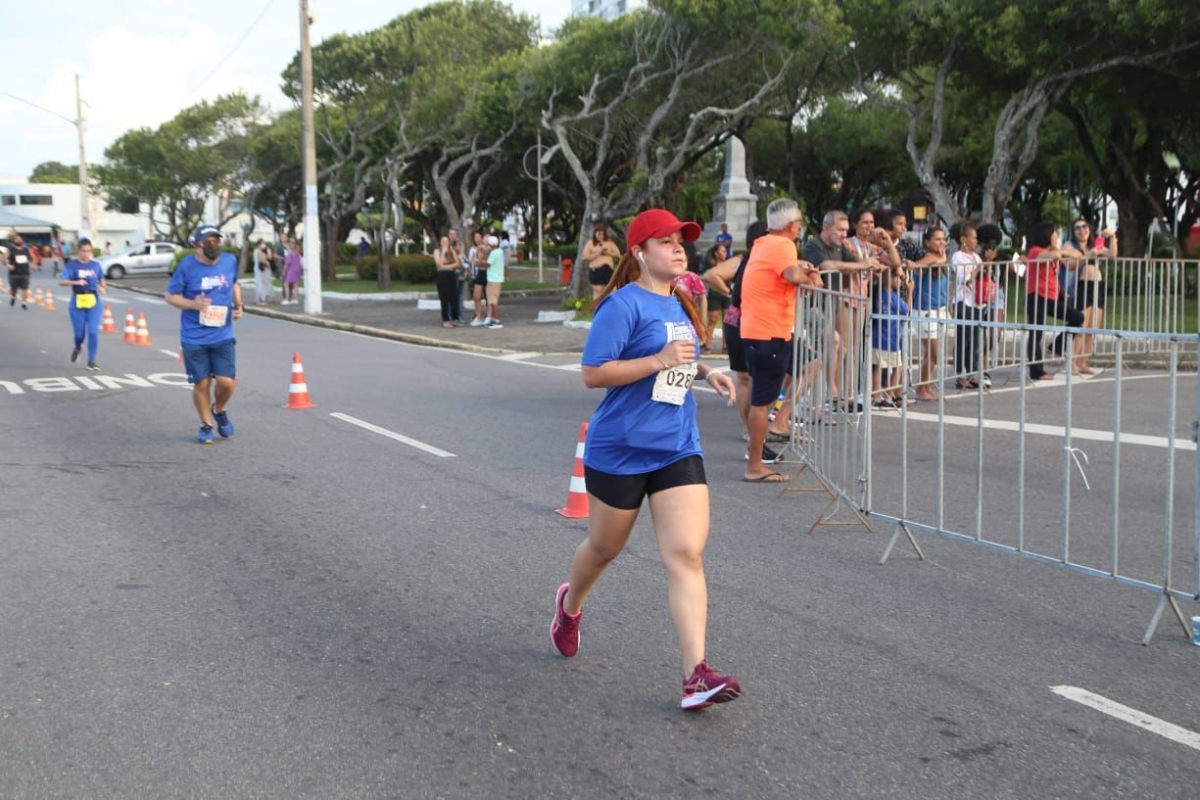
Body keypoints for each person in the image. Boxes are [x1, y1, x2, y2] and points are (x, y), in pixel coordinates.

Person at [548, 207, 741, 712]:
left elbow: (675, 356)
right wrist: (659, 361)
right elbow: (594, 373)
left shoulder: (679, 301)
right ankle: (569, 607)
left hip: (677, 445)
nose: (679, 248)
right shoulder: (621, 305)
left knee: (686, 554)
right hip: (621, 448)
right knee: (604, 549)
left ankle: (696, 675)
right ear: (639, 252)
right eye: (666, 241)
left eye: (681, 241)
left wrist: (705, 371)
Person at [741, 198, 822, 483]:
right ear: (791, 226)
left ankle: (760, 449)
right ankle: (754, 465)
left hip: (758, 330)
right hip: (769, 333)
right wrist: (809, 277)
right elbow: (789, 274)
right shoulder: (784, 245)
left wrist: (801, 268)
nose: (800, 227)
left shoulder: (763, 243)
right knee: (763, 402)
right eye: (799, 222)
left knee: (761, 395)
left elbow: (783, 270)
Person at [165, 225, 244, 444]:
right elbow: (170, 296)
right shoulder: (186, 267)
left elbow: (234, 283)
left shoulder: (229, 261)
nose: (214, 245)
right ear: (197, 246)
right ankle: (206, 425)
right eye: (208, 242)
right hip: (194, 336)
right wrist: (192, 304)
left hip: (222, 334)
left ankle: (219, 409)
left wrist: (239, 304)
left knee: (226, 382)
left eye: (216, 241)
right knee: (201, 383)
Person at [1024, 222, 1085, 382]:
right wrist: (1064, 252)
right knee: (1036, 333)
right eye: (1054, 234)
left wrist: (1070, 254)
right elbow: (1056, 256)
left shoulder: (1053, 251)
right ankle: (1036, 371)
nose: (1056, 236)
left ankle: (1058, 345)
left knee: (1077, 317)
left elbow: (1076, 256)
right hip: (1036, 295)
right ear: (1047, 236)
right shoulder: (1035, 251)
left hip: (1051, 297)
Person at [1060, 218, 1117, 376]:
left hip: (1098, 287)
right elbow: (1069, 265)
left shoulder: (1096, 245)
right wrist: (1089, 256)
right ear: (1073, 232)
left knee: (1092, 328)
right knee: (1081, 327)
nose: (1081, 230)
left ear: (1089, 229)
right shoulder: (1069, 246)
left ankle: (1083, 362)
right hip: (1082, 287)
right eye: (1077, 228)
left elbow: (1112, 255)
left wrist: (1112, 237)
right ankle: (1071, 362)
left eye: (1084, 226)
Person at [909, 227, 951, 401]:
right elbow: (932, 260)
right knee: (933, 352)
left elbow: (942, 259)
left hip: (939, 308)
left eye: (943, 239)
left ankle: (925, 385)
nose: (941, 242)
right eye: (937, 239)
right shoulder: (929, 257)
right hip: (925, 309)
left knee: (932, 353)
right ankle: (921, 387)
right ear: (927, 242)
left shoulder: (940, 260)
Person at [58, 238, 106, 371]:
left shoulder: (95, 265)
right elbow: (61, 281)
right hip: (77, 302)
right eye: (84, 251)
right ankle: (78, 347)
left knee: (93, 331)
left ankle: (91, 360)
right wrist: (76, 282)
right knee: (79, 335)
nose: (86, 254)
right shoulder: (72, 265)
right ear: (79, 251)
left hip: (93, 301)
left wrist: (102, 287)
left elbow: (101, 278)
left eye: (89, 251)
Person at [950, 222, 988, 389]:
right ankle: (960, 374)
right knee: (962, 339)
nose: (975, 241)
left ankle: (972, 372)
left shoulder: (976, 257)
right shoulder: (957, 256)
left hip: (976, 302)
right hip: (962, 301)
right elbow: (965, 279)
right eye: (973, 237)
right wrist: (978, 269)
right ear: (963, 239)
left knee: (974, 340)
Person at [871, 264, 911, 408]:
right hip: (890, 336)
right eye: (898, 278)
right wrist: (910, 291)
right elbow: (907, 309)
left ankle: (876, 396)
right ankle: (889, 395)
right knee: (898, 367)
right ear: (890, 279)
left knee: (878, 367)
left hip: (878, 335)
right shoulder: (893, 297)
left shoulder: (879, 293)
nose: (900, 281)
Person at [581, 223, 621, 300]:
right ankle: (598, 309)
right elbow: (584, 257)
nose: (600, 236)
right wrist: (597, 253)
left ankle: (612, 308)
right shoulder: (590, 243)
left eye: (602, 234)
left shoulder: (609, 242)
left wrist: (607, 253)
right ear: (595, 234)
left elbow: (618, 254)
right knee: (598, 291)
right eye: (599, 234)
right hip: (596, 270)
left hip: (608, 269)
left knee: (613, 289)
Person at [434, 234, 461, 328]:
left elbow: (457, 263)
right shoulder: (437, 251)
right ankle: (445, 320)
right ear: (441, 243)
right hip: (442, 275)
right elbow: (439, 263)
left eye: (447, 241)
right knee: (444, 298)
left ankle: (454, 319)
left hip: (451, 274)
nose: (445, 243)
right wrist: (443, 252)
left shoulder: (452, 251)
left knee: (454, 297)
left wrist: (447, 266)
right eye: (443, 241)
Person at [6, 234, 34, 308]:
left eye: (20, 239)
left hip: (25, 273)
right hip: (14, 274)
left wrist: (33, 265)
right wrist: (8, 265)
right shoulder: (11, 250)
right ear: (14, 241)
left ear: (22, 241)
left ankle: (23, 303)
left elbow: (33, 258)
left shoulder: (26, 250)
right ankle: (13, 296)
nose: (18, 240)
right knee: (13, 289)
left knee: (25, 288)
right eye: (17, 239)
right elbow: (3, 259)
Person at [468, 231, 489, 326]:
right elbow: (475, 261)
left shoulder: (490, 249)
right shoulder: (478, 248)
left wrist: (481, 261)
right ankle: (478, 316)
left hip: (488, 274)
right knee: (476, 296)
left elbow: (486, 262)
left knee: (489, 297)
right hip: (479, 273)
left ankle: (489, 316)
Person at [484, 235, 505, 328]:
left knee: (493, 302)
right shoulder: (500, 252)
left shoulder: (494, 253)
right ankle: (494, 319)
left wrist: (478, 262)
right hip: (498, 279)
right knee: (493, 301)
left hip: (493, 279)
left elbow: (487, 264)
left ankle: (497, 320)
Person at [253, 239, 274, 305]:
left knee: (263, 283)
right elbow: (262, 260)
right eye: (262, 244)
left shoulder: (261, 251)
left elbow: (270, 257)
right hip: (261, 269)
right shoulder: (258, 251)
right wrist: (266, 263)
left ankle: (262, 298)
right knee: (261, 284)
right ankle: (260, 299)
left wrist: (267, 251)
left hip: (261, 269)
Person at [282, 240, 303, 305]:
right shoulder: (298, 253)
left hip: (291, 270)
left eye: (291, 243)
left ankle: (287, 299)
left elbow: (287, 263)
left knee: (286, 284)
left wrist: (284, 271)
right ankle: (296, 299)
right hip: (297, 270)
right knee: (295, 285)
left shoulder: (290, 253)